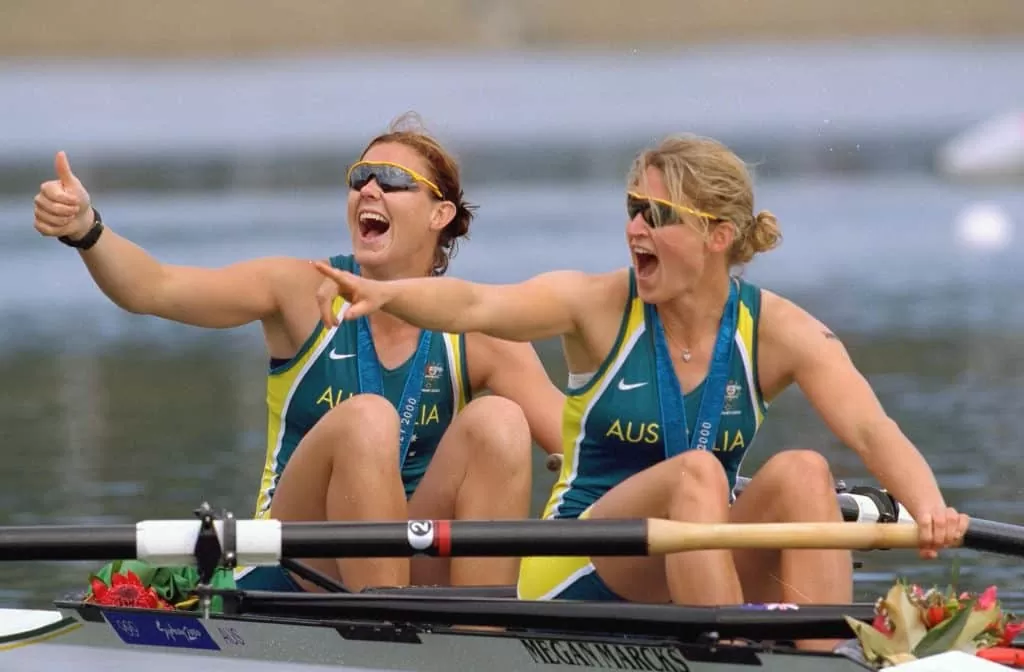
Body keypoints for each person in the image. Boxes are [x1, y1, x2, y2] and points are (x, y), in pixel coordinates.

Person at [311, 133, 969, 646]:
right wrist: (386, 292)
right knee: (698, 477)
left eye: (656, 215)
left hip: (695, 554)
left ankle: (819, 649)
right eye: (631, 210)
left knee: (805, 473)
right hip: (576, 566)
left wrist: (930, 506)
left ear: (718, 236)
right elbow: (479, 305)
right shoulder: (597, 306)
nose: (634, 230)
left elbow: (870, 429)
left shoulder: (779, 330)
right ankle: (734, 647)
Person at [31, 114, 565, 594]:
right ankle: (386, 630)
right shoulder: (296, 292)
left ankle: (484, 629)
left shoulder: (476, 330)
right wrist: (87, 230)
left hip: (413, 557)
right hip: (295, 557)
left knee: (500, 421)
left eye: (394, 181)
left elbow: (586, 451)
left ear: (439, 214)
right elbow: (155, 288)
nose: (370, 189)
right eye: (360, 178)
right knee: (366, 420)